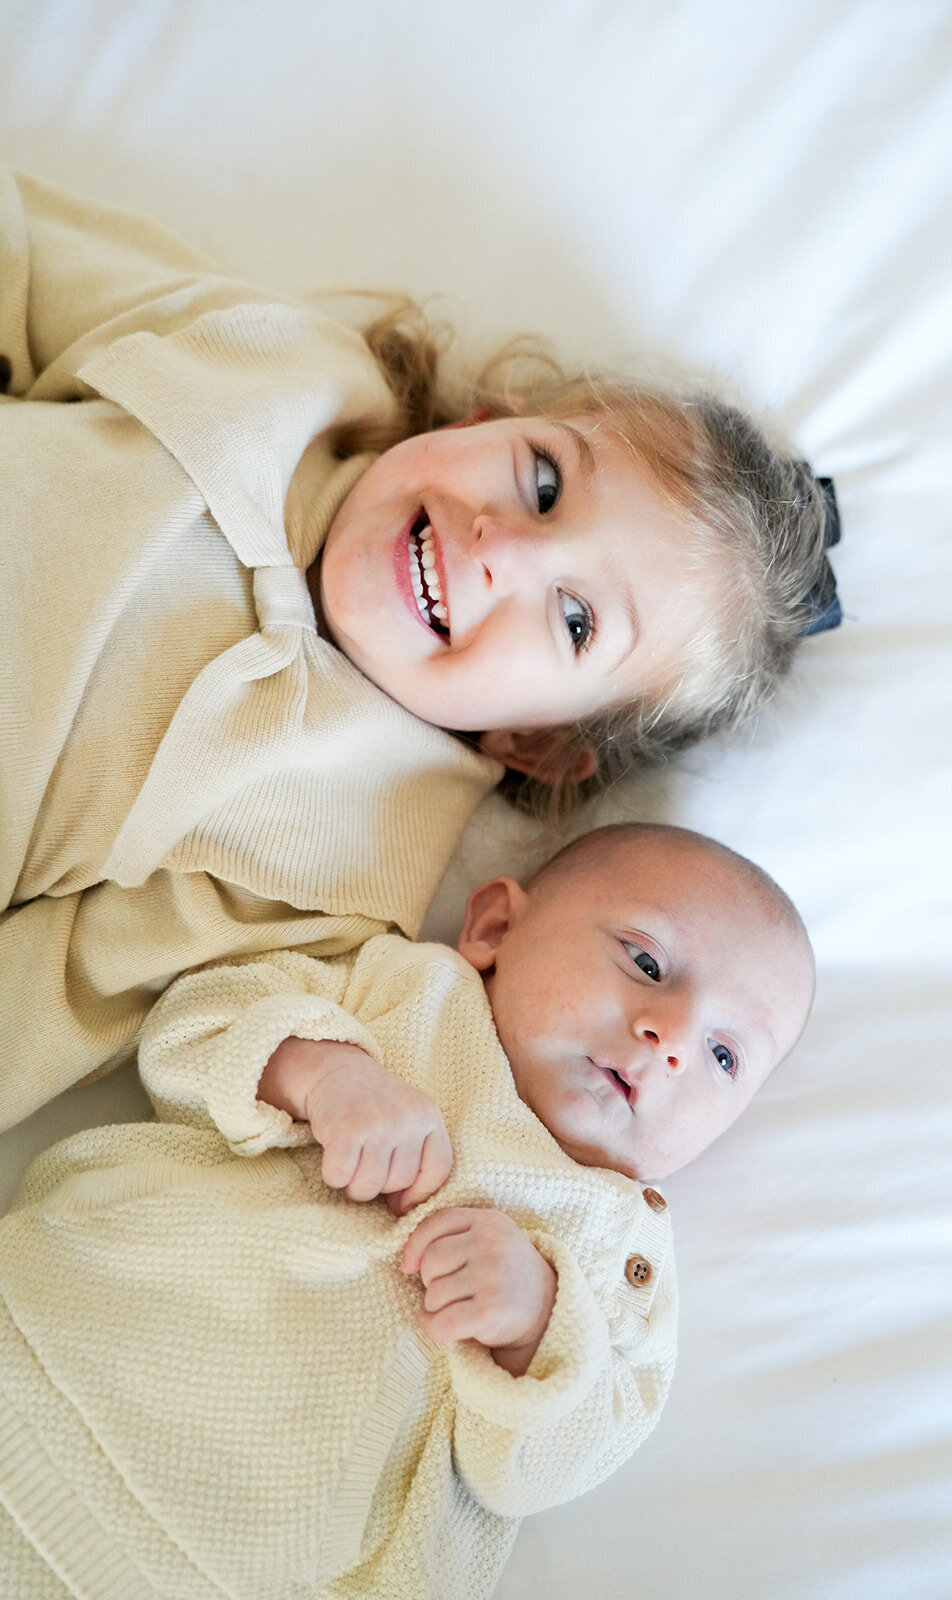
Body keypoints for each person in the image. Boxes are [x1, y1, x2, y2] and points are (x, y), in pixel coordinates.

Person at [0, 167, 839, 1130]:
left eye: (575, 621)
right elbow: (29, 262)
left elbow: (59, 994)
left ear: (537, 741)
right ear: (485, 422)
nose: (502, 547)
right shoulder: (283, 375)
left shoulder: (340, 858)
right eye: (543, 482)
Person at [0, 823, 815, 1600]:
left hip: (230, 1567)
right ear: (495, 928)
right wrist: (321, 1075)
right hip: (49, 1339)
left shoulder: (619, 1254)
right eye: (645, 962)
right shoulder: (403, 993)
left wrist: (536, 1325)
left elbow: (550, 1466)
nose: (670, 1037)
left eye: (722, 1054)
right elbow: (189, 1027)